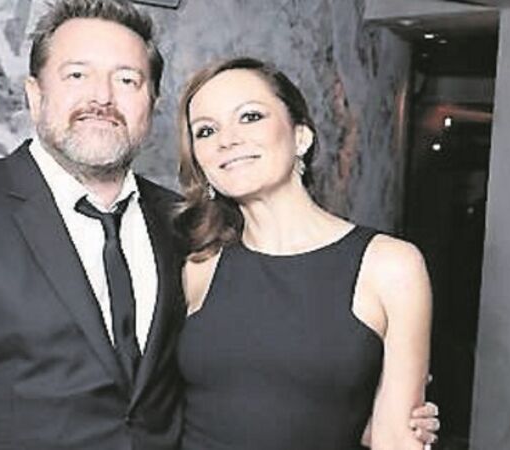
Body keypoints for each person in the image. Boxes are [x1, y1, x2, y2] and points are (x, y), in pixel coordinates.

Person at [0, 0, 440, 448]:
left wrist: (363, 416)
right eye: (77, 75)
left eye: (127, 79)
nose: (102, 96)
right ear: (34, 94)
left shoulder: (182, 228)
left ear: (151, 103)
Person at [174, 56, 435, 449]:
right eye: (206, 130)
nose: (226, 139)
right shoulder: (196, 268)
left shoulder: (390, 266)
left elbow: (397, 438)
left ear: (301, 137)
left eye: (250, 117)